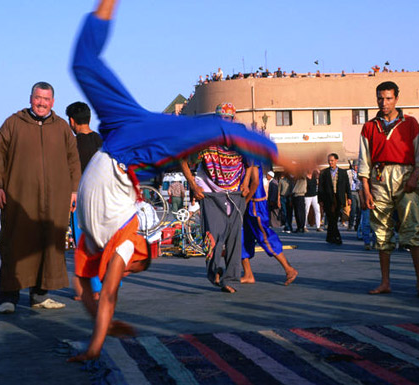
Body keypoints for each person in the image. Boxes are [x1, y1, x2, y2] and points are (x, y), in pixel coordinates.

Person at [68, 0, 281, 362]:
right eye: (136, 264)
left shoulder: (98, 244)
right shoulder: (123, 244)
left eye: (132, 266)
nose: (127, 269)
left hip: (122, 141)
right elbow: (106, 295)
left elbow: (91, 291)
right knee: (209, 129)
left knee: (83, 65)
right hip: (129, 148)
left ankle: (276, 153)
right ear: (137, 252)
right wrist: (100, 336)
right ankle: (282, 155)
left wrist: (100, 332)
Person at [0, 81, 81, 314]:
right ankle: (8, 297)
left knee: (48, 247)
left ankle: (40, 296)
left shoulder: (61, 128)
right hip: (19, 200)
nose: (41, 103)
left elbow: (73, 161)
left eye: (46, 99)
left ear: (53, 102)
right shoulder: (13, 123)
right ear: (30, 98)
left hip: (54, 202)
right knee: (15, 247)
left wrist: (74, 191)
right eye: (38, 98)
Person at [358, 81, 419, 298]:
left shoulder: (410, 123)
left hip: (406, 175)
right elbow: (363, 160)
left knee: (414, 228)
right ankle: (385, 282)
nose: (384, 102)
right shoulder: (370, 126)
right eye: (380, 98)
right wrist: (366, 189)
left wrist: (415, 176)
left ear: (396, 99)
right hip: (379, 176)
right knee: (381, 229)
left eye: (388, 98)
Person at [180, 103, 252, 294]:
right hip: (210, 191)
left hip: (234, 190)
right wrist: (193, 185)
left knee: (235, 237)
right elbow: (183, 160)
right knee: (212, 237)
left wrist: (245, 183)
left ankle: (230, 279)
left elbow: (251, 164)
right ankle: (214, 273)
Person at [66, 101, 104, 301]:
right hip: (102, 199)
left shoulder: (72, 144)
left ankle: (91, 289)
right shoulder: (101, 140)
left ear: (72, 121)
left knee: (84, 245)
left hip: (80, 200)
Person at [241, 162, 298, 285]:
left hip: (255, 205)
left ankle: (289, 269)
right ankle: (248, 274)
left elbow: (255, 182)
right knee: (241, 237)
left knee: (264, 236)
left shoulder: (250, 153)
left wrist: (244, 202)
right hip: (245, 203)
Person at [318, 153, 351, 245]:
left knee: (335, 217)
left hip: (338, 197)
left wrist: (349, 197)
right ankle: (337, 237)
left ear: (336, 160)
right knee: (330, 216)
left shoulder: (342, 172)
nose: (330, 162)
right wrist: (320, 200)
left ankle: (330, 237)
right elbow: (321, 187)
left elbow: (347, 186)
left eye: (332, 160)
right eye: (329, 160)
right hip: (328, 198)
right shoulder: (324, 173)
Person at [347, 161, 361, 231]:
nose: (356, 167)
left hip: (359, 192)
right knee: (353, 209)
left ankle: (357, 226)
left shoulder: (360, 172)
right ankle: (350, 225)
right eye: (355, 166)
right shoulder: (349, 172)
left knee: (359, 210)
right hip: (352, 191)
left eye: (357, 166)